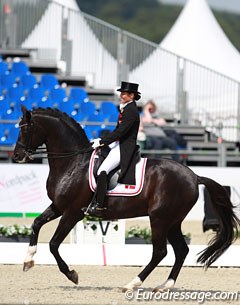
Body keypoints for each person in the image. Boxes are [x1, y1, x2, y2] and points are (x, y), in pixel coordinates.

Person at [87, 81, 141, 216]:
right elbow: (117, 131)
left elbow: (120, 132)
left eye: (124, 93)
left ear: (131, 95)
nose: (121, 95)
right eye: (121, 93)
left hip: (124, 147)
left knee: (102, 170)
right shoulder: (126, 108)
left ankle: (100, 206)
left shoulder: (131, 111)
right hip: (118, 143)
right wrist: (102, 142)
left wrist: (102, 142)